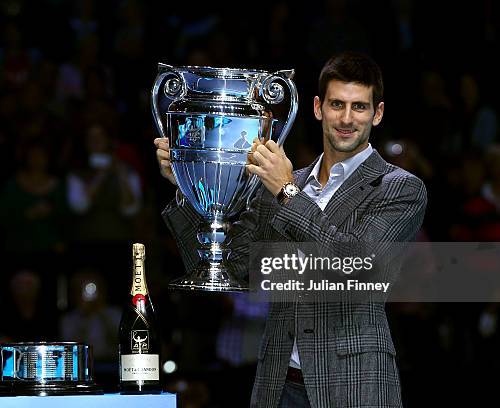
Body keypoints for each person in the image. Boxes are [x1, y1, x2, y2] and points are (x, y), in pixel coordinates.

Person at [154, 52, 427, 407]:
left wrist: (287, 193)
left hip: (353, 386)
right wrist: (191, 189)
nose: (346, 118)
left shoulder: (399, 187)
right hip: (277, 384)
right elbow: (232, 269)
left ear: (377, 114)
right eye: (336, 104)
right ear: (317, 108)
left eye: (359, 107)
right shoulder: (280, 184)